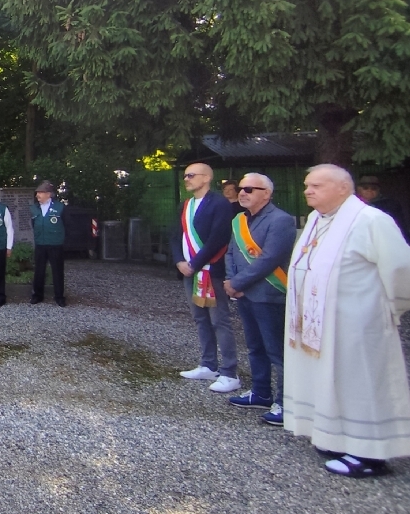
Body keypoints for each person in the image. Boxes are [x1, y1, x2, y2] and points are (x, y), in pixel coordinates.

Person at [285, 164, 410, 478]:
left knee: (360, 383)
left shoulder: (371, 221)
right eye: (307, 185)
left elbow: (400, 270)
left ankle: (371, 454)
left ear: (343, 188)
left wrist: (392, 309)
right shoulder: (316, 219)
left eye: (316, 185)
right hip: (320, 324)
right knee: (331, 380)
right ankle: (335, 436)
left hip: (358, 324)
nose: (307, 191)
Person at [222, 173, 297, 424]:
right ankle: (261, 392)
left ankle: (286, 403)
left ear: (267, 193)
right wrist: (232, 281)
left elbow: (269, 259)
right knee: (255, 347)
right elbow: (231, 252)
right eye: (241, 189)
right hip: (244, 294)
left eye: (250, 189)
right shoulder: (239, 220)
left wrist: (237, 283)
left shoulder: (281, 220)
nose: (243, 193)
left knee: (277, 351)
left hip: (269, 295)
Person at [172, 163, 239, 393]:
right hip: (188, 271)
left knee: (219, 320)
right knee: (199, 318)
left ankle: (229, 371)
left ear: (207, 178)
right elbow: (174, 234)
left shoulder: (219, 204)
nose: (187, 179)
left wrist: (195, 264)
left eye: (191, 175)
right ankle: (208, 364)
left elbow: (218, 238)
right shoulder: (186, 205)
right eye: (185, 176)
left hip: (211, 271)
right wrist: (179, 261)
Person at [30, 180, 66, 307]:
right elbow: (34, 224)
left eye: (41, 193)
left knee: (57, 270)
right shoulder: (34, 208)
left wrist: (61, 239)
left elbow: (67, 225)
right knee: (39, 270)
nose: (37, 195)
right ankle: (37, 295)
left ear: (49, 194)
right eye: (37, 193)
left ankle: (59, 297)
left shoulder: (60, 207)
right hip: (41, 243)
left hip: (55, 244)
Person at [356, 175, 408, 241]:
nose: (369, 191)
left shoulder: (391, 205)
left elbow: (400, 227)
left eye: (373, 188)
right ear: (358, 189)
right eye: (365, 188)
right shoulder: (353, 205)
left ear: (378, 190)